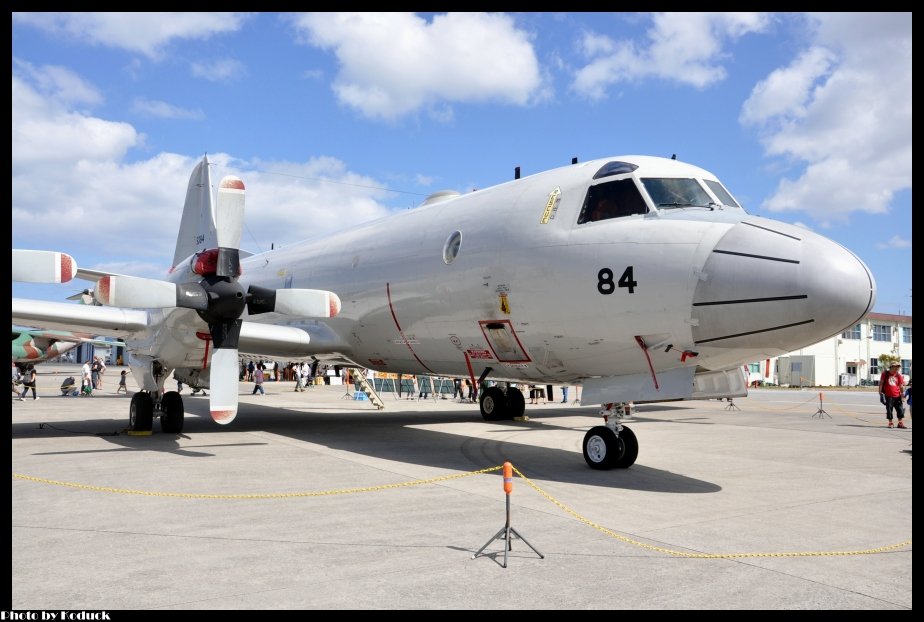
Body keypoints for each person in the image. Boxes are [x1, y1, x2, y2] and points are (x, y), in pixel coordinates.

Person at [878, 362, 906, 428]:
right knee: (889, 410)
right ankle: (890, 423)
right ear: (891, 367)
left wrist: (902, 395)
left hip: (897, 396)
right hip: (888, 396)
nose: (897, 368)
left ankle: (900, 423)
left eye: (898, 367)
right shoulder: (885, 374)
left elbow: (901, 386)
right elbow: (881, 383)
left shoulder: (898, 375)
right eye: (895, 367)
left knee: (900, 410)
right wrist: (880, 392)